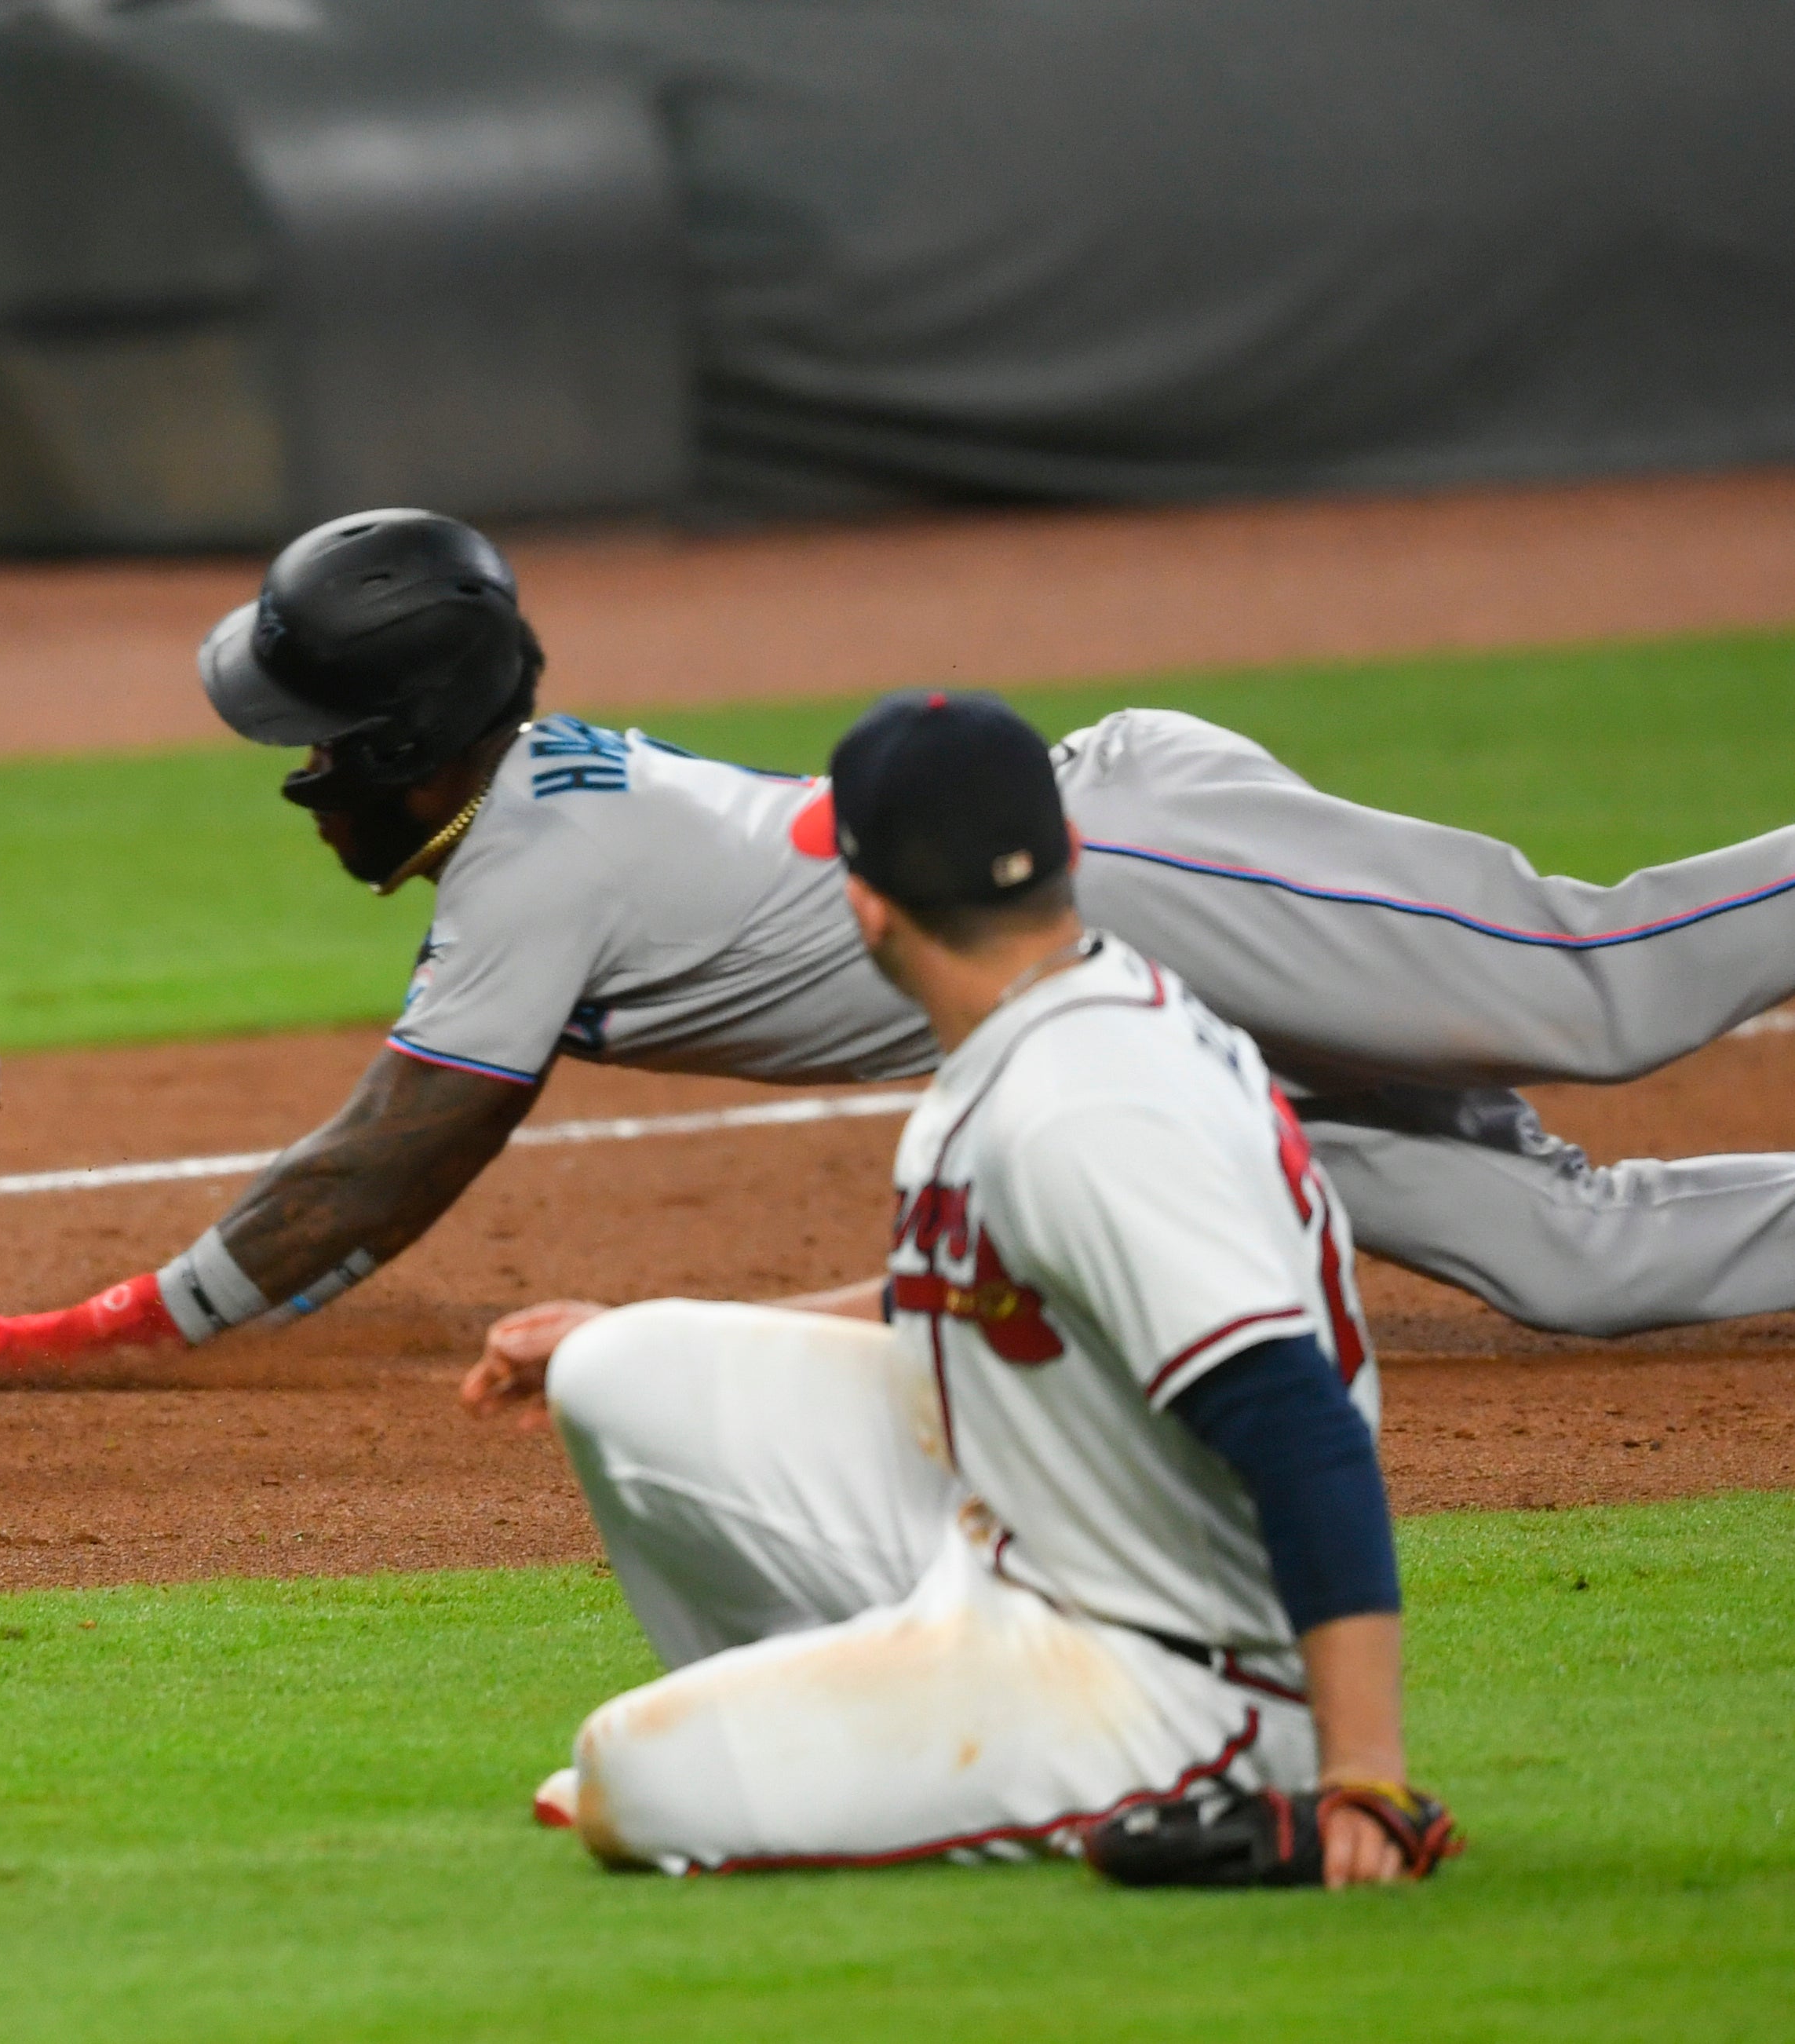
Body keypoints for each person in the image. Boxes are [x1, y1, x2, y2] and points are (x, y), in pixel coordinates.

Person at [0, 507, 1795, 1385]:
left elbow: (396, 1152)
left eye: (305, 754)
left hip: (1130, 866)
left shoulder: (537, 871)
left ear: (393, 747)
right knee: (1564, 1262)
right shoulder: (533, 815)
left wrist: (127, 1321)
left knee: (1600, 993)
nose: (292, 791)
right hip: (1110, 994)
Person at [468, 691, 1460, 1882]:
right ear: (1067, 855)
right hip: (1043, 1541)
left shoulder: (1080, 1104)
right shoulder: (1070, 1006)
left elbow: (1298, 1428)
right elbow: (978, 1296)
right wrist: (652, 1321)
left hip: (1183, 1672)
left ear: (866, 903)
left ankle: (1191, 1761)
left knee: (633, 1776)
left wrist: (1363, 1780)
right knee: (623, 1367)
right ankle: (868, 1712)